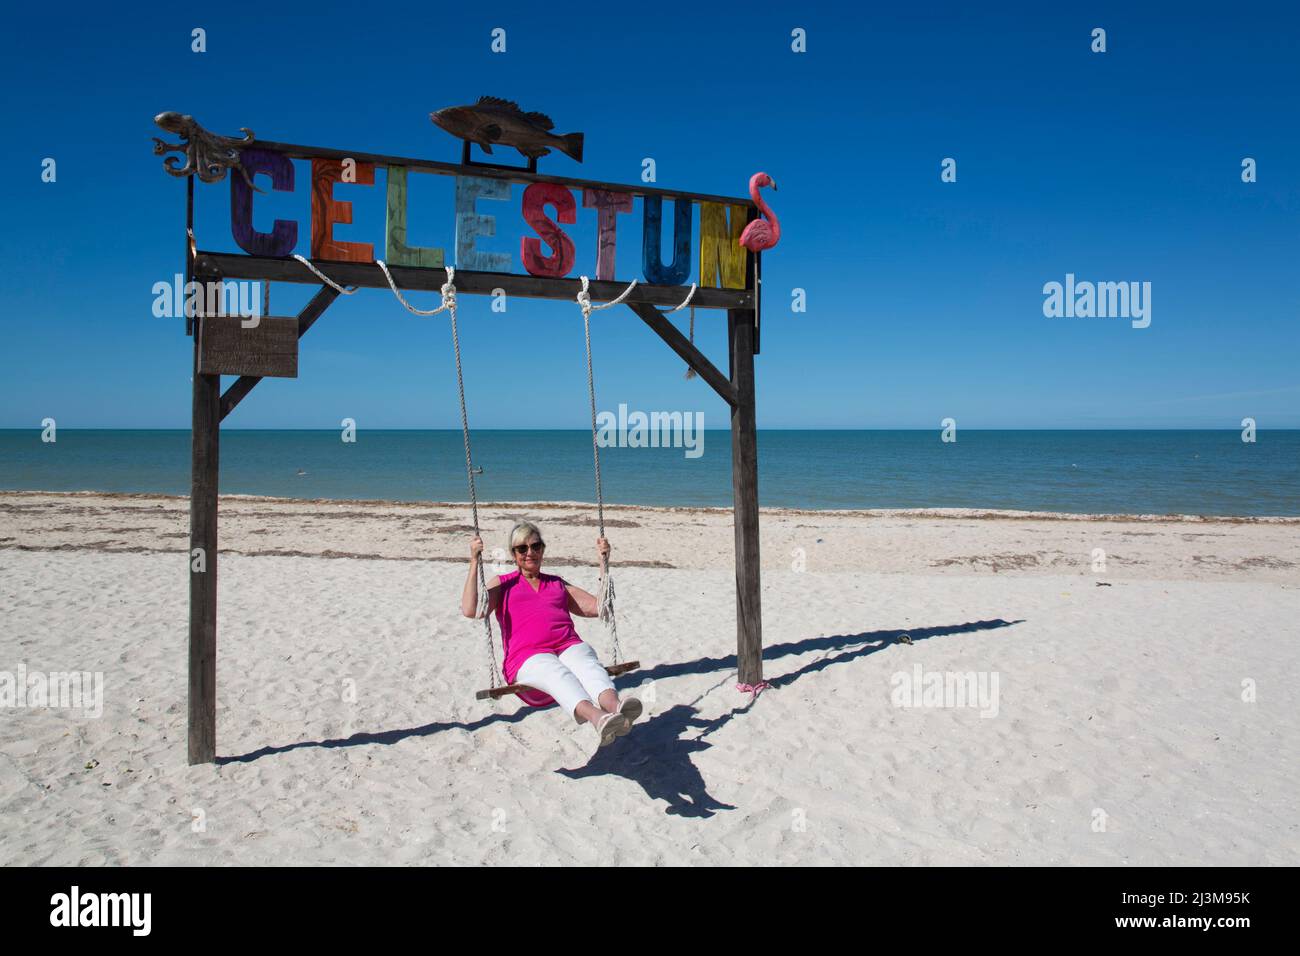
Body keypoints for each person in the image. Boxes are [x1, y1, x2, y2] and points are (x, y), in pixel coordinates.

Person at [463, 521, 641, 748]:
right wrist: (474, 560)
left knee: (586, 662)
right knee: (554, 670)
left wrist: (603, 563)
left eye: (536, 546)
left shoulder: (556, 583)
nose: (530, 553)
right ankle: (598, 718)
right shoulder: (504, 584)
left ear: (543, 549)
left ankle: (617, 707)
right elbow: (471, 609)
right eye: (522, 548)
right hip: (526, 657)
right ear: (513, 553)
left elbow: (599, 607)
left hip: (566, 645)